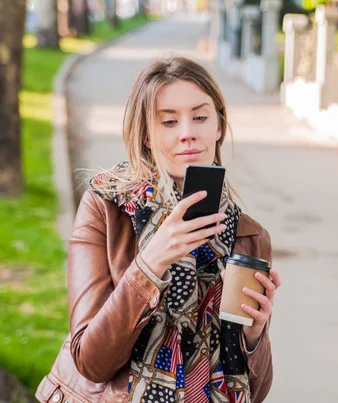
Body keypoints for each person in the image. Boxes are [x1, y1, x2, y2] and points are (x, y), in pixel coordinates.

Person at [35, 56, 280, 403]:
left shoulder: (248, 237)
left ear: (219, 126)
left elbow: (255, 392)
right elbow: (91, 362)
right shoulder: (106, 209)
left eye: (200, 117)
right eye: (168, 121)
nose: (187, 133)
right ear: (147, 136)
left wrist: (254, 337)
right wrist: (151, 263)